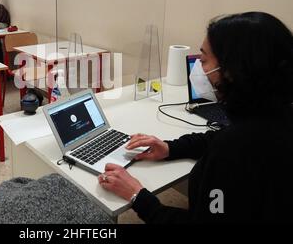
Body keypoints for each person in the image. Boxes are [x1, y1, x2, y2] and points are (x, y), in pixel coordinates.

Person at [99, 12, 293, 223]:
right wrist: (169, 147)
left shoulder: (233, 151)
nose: (199, 68)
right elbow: (221, 137)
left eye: (203, 59)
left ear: (231, 70)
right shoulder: (275, 114)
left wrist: (138, 196)